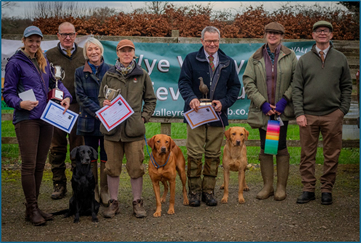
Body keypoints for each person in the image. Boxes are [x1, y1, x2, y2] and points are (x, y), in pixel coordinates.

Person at [3, 26, 72, 225]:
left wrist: (66, 96)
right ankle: (31, 208)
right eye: (30, 40)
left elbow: (55, 83)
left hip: (46, 118)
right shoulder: (15, 63)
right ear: (23, 40)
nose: (34, 44)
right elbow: (7, 93)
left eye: (37, 41)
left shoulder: (43, 60)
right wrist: (20, 103)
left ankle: (33, 207)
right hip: (27, 119)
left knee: (41, 165)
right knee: (29, 165)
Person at [178, 26, 240, 207]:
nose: (212, 44)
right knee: (195, 153)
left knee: (213, 154)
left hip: (217, 115)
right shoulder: (191, 59)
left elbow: (235, 88)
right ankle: (195, 191)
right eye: (208, 41)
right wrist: (191, 99)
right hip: (196, 114)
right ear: (202, 41)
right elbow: (183, 82)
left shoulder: (228, 62)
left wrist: (224, 102)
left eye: (215, 41)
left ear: (219, 41)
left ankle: (209, 191)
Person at [292, 20, 352, 205]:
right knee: (307, 154)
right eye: (318, 31)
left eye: (326, 31)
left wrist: (341, 111)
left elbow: (347, 86)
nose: (322, 33)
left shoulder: (340, 58)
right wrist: (299, 113)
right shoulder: (304, 60)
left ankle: (327, 189)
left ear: (331, 35)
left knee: (332, 153)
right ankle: (308, 188)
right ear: (313, 35)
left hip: (332, 114)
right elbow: (297, 88)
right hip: (308, 115)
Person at [98, 39, 156, 218]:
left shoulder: (142, 74)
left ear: (134, 53)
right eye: (123, 51)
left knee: (136, 168)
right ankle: (113, 202)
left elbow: (151, 100)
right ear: (117, 53)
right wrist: (104, 103)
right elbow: (101, 97)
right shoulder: (109, 75)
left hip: (134, 132)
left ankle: (137, 202)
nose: (126, 54)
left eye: (129, 50)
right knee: (112, 168)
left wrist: (143, 117)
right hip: (112, 130)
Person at [243, 22, 297, 201]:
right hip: (264, 111)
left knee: (280, 147)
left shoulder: (290, 56)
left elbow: (296, 81)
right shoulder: (256, 57)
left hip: (280, 112)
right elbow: (248, 81)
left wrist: (283, 101)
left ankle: (281, 187)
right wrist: (262, 104)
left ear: (282, 36)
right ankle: (268, 186)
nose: (272, 35)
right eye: (269, 32)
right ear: (265, 34)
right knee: (266, 148)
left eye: (276, 33)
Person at [46, 22, 85, 200]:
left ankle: (78, 183)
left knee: (78, 148)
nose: (68, 37)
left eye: (71, 34)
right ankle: (59, 183)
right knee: (57, 147)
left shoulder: (84, 54)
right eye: (64, 34)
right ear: (58, 35)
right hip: (57, 107)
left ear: (76, 35)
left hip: (78, 106)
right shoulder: (49, 55)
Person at [74, 37, 112, 206]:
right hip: (88, 121)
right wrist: (99, 112)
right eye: (90, 49)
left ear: (101, 50)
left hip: (107, 123)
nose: (93, 52)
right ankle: (93, 190)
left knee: (105, 156)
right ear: (86, 53)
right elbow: (80, 97)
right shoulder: (79, 72)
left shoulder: (111, 70)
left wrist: (105, 112)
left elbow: (114, 94)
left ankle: (104, 190)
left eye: (96, 49)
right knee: (89, 156)